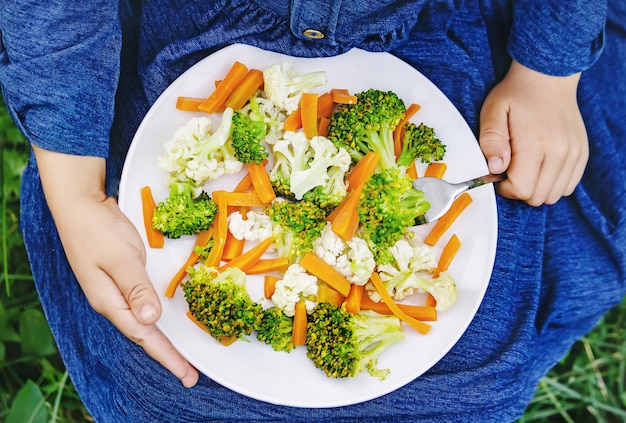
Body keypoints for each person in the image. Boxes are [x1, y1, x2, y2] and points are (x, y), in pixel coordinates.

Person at [1, 0, 624, 421]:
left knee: (468, 375)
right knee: (161, 374)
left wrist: (546, 72)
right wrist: (76, 190)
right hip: (177, 48)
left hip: (436, 39)